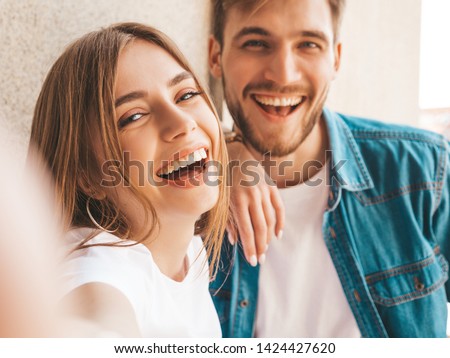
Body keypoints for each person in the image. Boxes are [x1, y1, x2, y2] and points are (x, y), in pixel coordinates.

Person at [208, 0, 450, 337]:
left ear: (335, 57)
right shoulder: (191, 197)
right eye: (256, 43)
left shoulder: (422, 171)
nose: (283, 74)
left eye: (308, 44)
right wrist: (224, 152)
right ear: (215, 56)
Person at [29, 22, 229, 337]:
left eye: (186, 94)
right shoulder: (96, 269)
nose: (182, 123)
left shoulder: (190, 249)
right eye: (133, 116)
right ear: (87, 176)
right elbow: (98, 316)